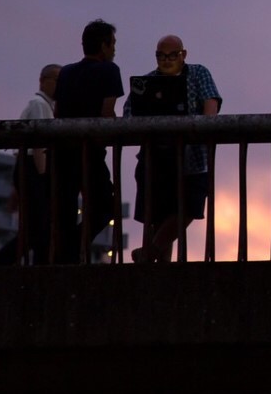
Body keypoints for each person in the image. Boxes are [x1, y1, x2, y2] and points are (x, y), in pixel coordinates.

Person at [125, 35, 222, 263]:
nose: (166, 60)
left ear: (183, 54)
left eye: (172, 55)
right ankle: (158, 265)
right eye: (161, 55)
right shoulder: (145, 82)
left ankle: (150, 252)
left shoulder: (198, 73)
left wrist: (205, 125)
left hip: (194, 157)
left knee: (190, 205)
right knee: (157, 216)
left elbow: (211, 101)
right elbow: (129, 112)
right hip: (156, 157)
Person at [52, 20, 123, 263]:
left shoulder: (66, 72)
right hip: (90, 150)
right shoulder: (109, 71)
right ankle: (74, 247)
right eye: (112, 44)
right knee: (104, 204)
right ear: (103, 46)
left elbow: (57, 111)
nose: (114, 49)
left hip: (62, 150)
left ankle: (64, 257)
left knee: (66, 209)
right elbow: (107, 112)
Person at [0, 64, 60, 265]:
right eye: (57, 80)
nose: (59, 85)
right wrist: (44, 177)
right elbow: (40, 145)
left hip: (29, 167)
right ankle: (0, 265)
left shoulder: (44, 105)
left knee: (36, 227)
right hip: (34, 166)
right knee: (39, 226)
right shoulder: (39, 104)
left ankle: (1, 264)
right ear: (43, 80)